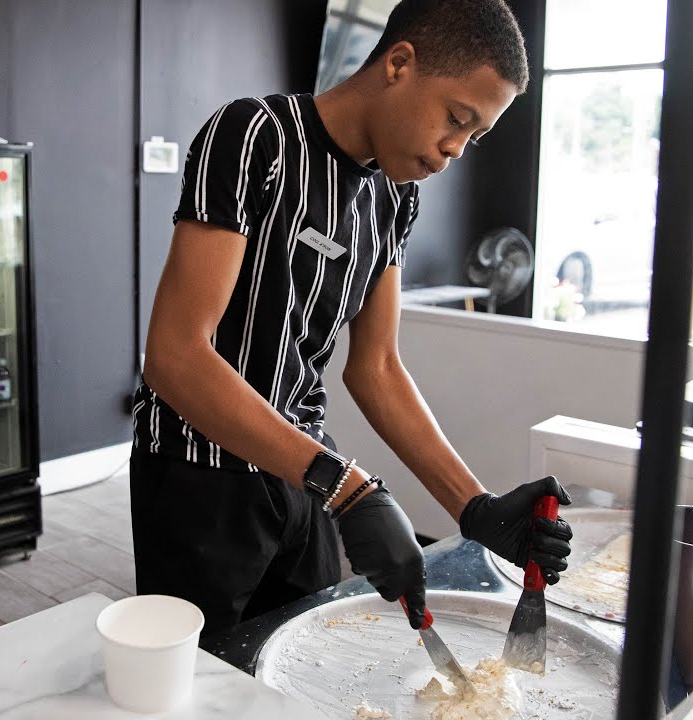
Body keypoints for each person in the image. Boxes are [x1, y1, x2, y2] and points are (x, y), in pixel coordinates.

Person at [130, 0, 573, 636]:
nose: (453, 151)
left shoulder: (397, 195)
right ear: (399, 63)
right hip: (198, 470)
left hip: (304, 473)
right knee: (202, 684)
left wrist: (473, 507)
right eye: (455, 118)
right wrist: (350, 487)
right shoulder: (255, 136)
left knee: (294, 661)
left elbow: (379, 367)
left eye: (473, 138)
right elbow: (176, 355)